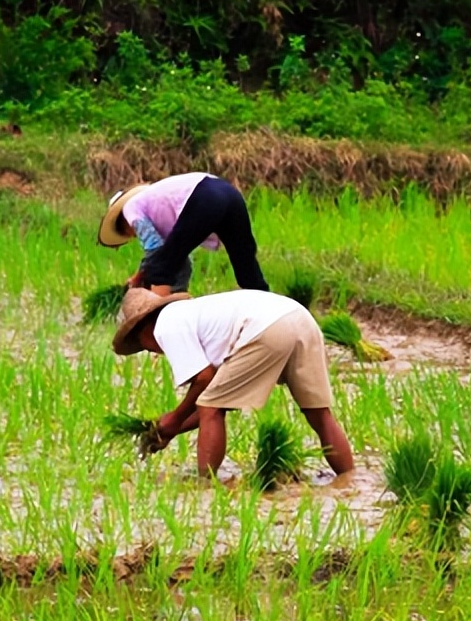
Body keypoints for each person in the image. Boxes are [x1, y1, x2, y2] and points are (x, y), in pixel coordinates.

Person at [111, 287, 354, 478]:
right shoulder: (196, 316)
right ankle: (348, 481)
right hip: (300, 318)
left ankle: (206, 485)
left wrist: (174, 418)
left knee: (209, 406)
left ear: (143, 332)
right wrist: (168, 429)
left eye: (143, 346)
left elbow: (206, 390)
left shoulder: (166, 326)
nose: (153, 351)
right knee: (319, 414)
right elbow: (218, 398)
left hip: (266, 328)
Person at [98, 172, 269, 296]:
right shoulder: (155, 204)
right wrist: (141, 274)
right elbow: (177, 256)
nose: (135, 234)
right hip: (230, 194)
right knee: (247, 269)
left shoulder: (130, 208)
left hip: (203, 196)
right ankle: (271, 311)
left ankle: (159, 320)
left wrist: (139, 278)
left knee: (160, 271)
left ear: (124, 223)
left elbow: (155, 250)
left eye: (131, 233)